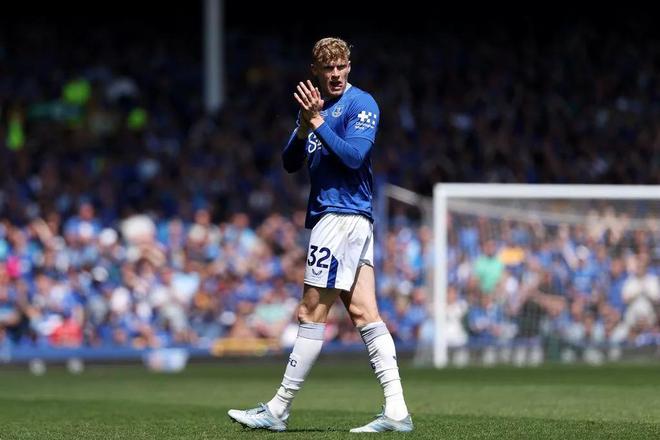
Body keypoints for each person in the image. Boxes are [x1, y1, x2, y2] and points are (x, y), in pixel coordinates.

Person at [228, 37, 413, 433]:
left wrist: (316, 123)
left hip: (341, 216)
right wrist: (302, 126)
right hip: (342, 219)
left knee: (310, 312)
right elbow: (289, 162)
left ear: (349, 67)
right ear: (315, 71)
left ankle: (278, 408)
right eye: (328, 68)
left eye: (341, 67)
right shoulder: (316, 109)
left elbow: (354, 157)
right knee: (365, 314)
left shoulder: (361, 104)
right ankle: (397, 411)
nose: (335, 74)